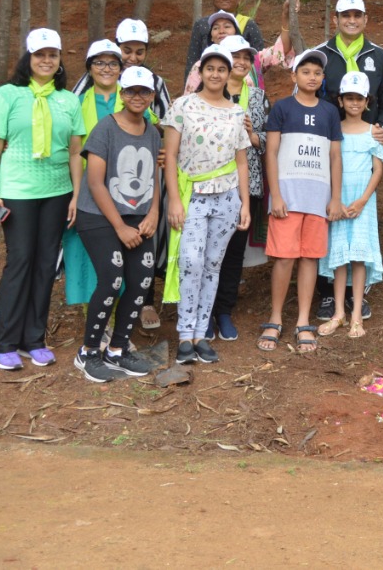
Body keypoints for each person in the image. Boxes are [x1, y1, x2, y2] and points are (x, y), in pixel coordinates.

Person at [0, 28, 84, 371]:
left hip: (57, 191)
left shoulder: (68, 100)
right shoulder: (8, 95)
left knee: (45, 265)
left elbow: (74, 153)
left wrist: (76, 195)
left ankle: (33, 339)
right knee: (21, 261)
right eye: (40, 54)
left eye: (53, 55)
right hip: (18, 190)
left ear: (58, 60)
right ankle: (4, 342)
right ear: (28, 58)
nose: (46, 60)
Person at [312, 0, 383, 321]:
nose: (351, 20)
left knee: (358, 228)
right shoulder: (321, 54)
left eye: (357, 15)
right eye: (345, 15)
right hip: (326, 151)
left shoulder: (380, 55)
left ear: (365, 19)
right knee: (329, 218)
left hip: (361, 146)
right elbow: (306, 93)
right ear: (335, 18)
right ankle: (327, 293)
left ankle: (357, 293)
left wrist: (382, 131)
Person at [72, 66, 162, 382]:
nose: (138, 97)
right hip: (98, 215)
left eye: (144, 91)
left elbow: (155, 178)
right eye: (131, 91)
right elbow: (96, 183)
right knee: (111, 278)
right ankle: (89, 352)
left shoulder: (152, 132)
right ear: (122, 94)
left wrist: (153, 215)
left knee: (141, 279)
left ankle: (118, 350)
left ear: (152, 95)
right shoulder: (105, 129)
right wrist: (120, 227)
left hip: (137, 215)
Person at [162, 45, 251, 366]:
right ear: (201, 72)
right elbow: (170, 155)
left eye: (222, 69)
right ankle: (185, 334)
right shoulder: (182, 106)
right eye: (210, 68)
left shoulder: (236, 112)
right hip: (193, 196)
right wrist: (174, 198)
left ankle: (201, 334)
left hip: (227, 197)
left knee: (213, 265)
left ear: (230, 74)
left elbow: (242, 161)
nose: (216, 74)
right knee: (191, 262)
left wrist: (244, 204)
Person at [263, 50, 343, 353]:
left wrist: (335, 197)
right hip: (288, 198)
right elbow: (271, 152)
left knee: (310, 258)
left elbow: (334, 156)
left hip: (317, 200)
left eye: (317, 73)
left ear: (323, 78)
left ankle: (303, 321)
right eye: (305, 71)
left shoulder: (329, 112)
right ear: (293, 76)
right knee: (284, 258)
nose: (312, 77)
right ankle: (274, 319)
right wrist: (277, 195)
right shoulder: (282, 108)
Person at [206, 34, 270, 343]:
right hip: (209, 184)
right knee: (207, 251)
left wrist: (252, 135)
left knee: (233, 253)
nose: (242, 61)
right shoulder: (206, 95)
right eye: (236, 56)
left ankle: (224, 311)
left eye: (247, 56)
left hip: (247, 185)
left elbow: (271, 140)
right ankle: (204, 311)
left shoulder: (257, 96)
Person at [113, 18, 171, 330]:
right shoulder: (102, 75)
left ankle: (146, 298)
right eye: (127, 50)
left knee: (146, 231)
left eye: (139, 51)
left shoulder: (156, 83)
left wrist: (148, 116)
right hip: (106, 168)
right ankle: (112, 299)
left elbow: (169, 122)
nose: (132, 57)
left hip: (145, 167)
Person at [322, 72, 383, 339]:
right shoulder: (334, 131)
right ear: (340, 100)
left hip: (363, 202)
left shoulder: (373, 131)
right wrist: (334, 199)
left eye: (359, 99)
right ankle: (338, 312)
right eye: (349, 98)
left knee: (359, 256)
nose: (354, 103)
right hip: (339, 199)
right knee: (339, 255)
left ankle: (357, 314)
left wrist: (363, 200)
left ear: (367, 102)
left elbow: (377, 170)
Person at [61, 39, 126, 308]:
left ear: (121, 68)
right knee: (85, 254)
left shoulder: (134, 97)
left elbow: (155, 133)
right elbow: (70, 150)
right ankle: (94, 319)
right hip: (86, 189)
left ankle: (117, 321)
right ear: (89, 68)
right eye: (99, 62)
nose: (106, 68)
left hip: (125, 191)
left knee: (122, 254)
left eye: (113, 63)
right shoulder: (75, 104)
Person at [183, 4, 291, 95]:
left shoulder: (254, 60)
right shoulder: (201, 65)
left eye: (227, 26)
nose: (221, 31)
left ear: (236, 32)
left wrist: (286, 20)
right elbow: (189, 99)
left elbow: (281, 49)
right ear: (211, 36)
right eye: (216, 28)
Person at [184, 0, 266, 80]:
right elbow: (192, 59)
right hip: (209, 83)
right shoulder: (202, 25)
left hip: (243, 84)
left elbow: (259, 60)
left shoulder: (248, 24)